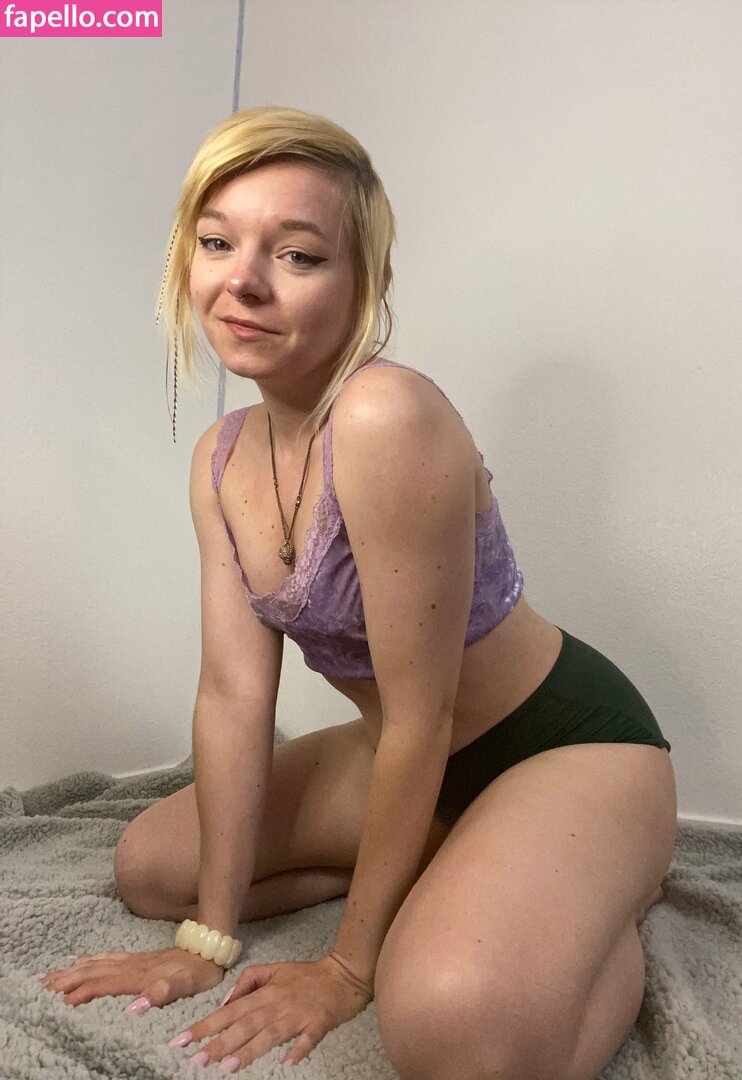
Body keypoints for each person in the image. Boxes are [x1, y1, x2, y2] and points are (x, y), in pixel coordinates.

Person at [39, 106, 677, 1079]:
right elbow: (234, 697)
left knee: (448, 1026)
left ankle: (600, 903)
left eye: (297, 255)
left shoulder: (386, 416)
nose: (244, 280)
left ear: (363, 280)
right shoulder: (220, 459)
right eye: (217, 242)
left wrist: (348, 965)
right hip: (406, 756)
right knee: (151, 871)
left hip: (563, 748)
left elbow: (426, 714)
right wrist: (206, 942)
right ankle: (462, 868)